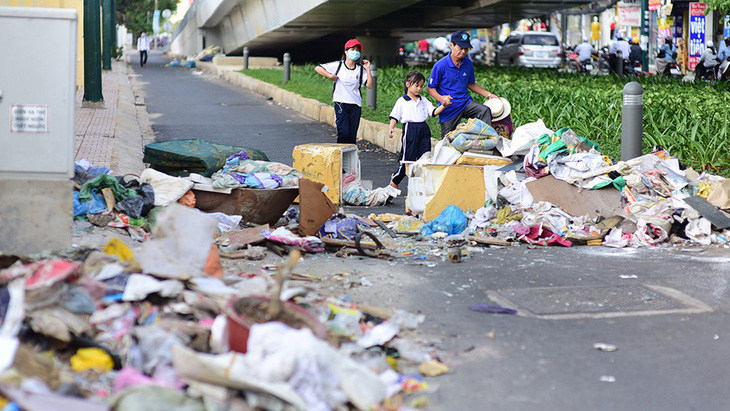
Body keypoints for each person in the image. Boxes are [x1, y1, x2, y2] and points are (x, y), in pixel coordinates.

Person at [427, 30, 500, 138]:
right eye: (460, 48)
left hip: (465, 103)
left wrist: (489, 95)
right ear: (451, 45)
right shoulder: (440, 65)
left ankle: (483, 142)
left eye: (466, 48)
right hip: (449, 107)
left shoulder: (468, 63)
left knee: (484, 111)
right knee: (447, 140)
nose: (463, 51)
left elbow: (471, 84)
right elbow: (430, 88)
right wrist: (442, 99)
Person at [388, 71, 445, 189]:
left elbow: (433, 112)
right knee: (407, 158)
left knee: (424, 157)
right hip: (410, 129)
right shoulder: (402, 101)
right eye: (416, 85)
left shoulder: (423, 100)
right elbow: (395, 116)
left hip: (424, 129)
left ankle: (419, 185)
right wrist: (391, 128)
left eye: (421, 86)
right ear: (408, 84)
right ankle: (395, 179)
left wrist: (444, 105)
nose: (419, 89)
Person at [315, 39, 373, 144]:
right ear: (346, 51)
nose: (355, 52)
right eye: (352, 49)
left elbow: (369, 85)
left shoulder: (360, 69)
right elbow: (318, 68)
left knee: (352, 134)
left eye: (357, 50)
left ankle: (350, 158)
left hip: (355, 104)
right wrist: (330, 76)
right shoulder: (338, 65)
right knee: (343, 132)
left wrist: (368, 69)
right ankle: (340, 157)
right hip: (341, 102)